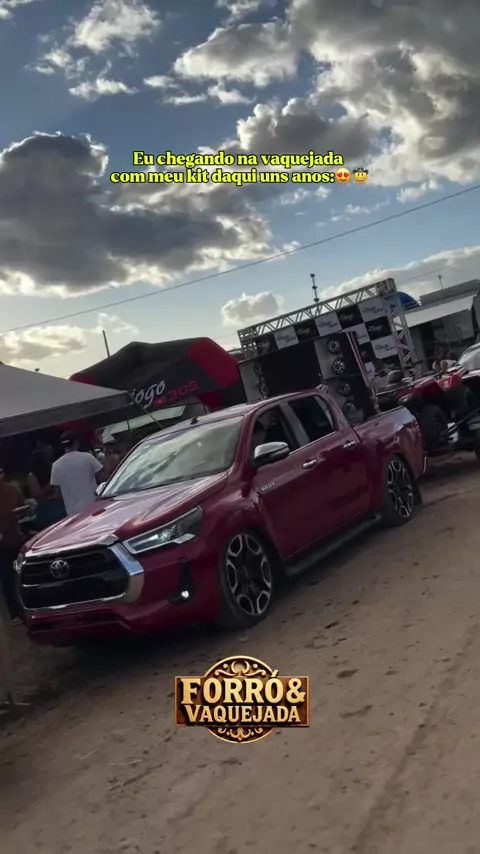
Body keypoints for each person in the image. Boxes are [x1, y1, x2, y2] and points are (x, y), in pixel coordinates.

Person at [50, 431, 105, 517]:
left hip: (72, 512)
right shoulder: (88, 457)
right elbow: (102, 478)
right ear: (76, 442)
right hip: (93, 506)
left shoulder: (56, 465)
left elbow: (58, 493)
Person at [0, 463, 25, 621]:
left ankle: (19, 610)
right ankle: (15, 611)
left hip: (15, 539)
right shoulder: (12, 489)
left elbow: (22, 508)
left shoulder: (12, 489)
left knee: (15, 576)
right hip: (7, 542)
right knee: (9, 577)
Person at [27, 449, 66, 530]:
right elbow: (38, 494)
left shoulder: (53, 470)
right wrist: (51, 484)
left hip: (54, 506)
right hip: (47, 507)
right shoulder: (33, 475)